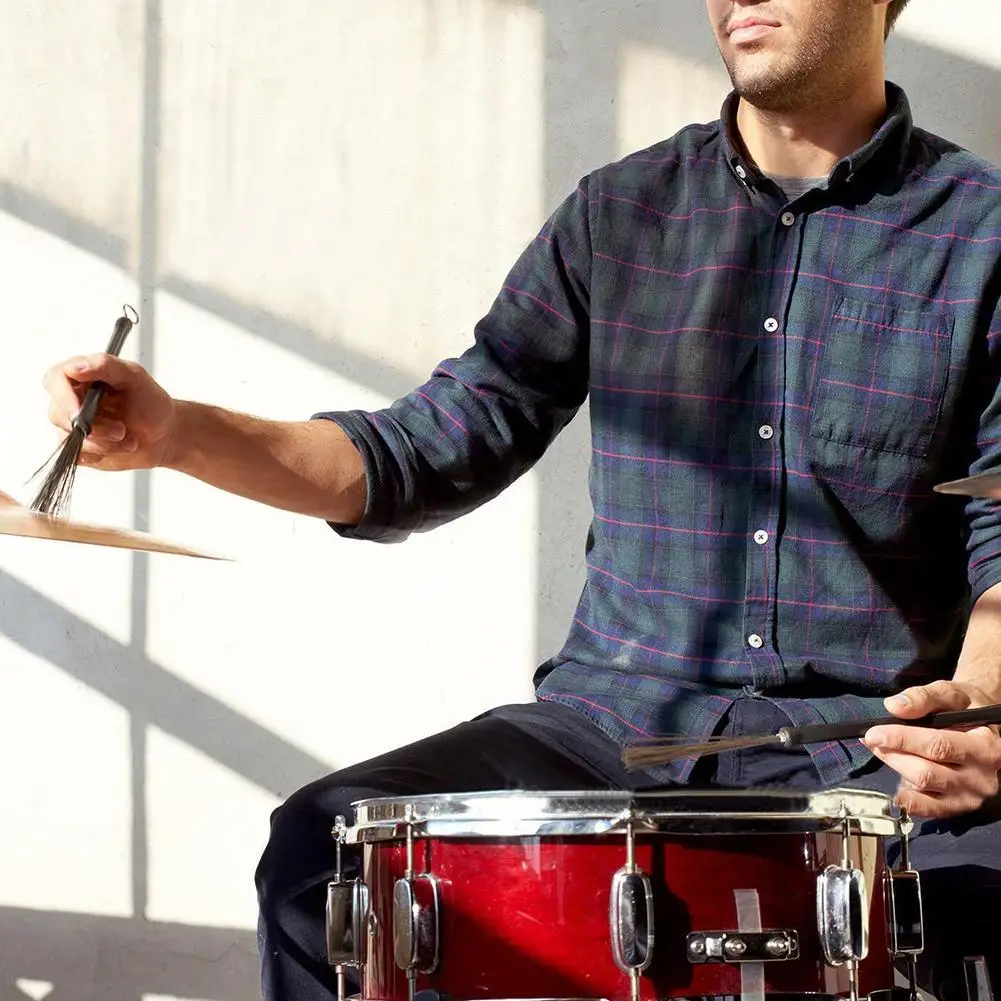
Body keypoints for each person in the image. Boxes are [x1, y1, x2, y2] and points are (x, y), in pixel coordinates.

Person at [42, 1, 1001, 999]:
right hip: (610, 726)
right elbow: (427, 447)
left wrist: (977, 716)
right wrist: (177, 431)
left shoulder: (982, 232)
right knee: (317, 851)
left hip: (869, 747)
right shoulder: (618, 214)